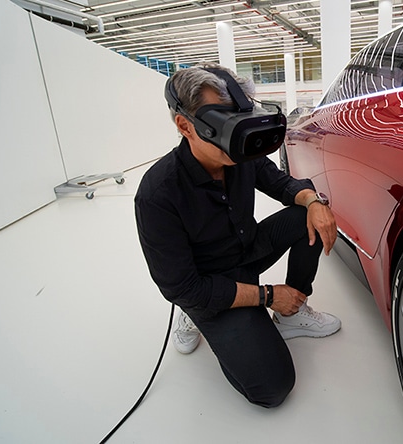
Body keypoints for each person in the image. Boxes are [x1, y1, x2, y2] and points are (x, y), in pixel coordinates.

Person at [134, 63, 341, 408]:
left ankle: (294, 312)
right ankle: (195, 315)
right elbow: (182, 286)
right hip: (209, 283)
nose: (238, 134)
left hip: (247, 248)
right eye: (223, 120)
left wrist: (315, 201)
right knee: (272, 388)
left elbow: (283, 184)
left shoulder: (240, 156)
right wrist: (268, 295)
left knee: (312, 214)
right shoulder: (158, 195)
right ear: (185, 125)